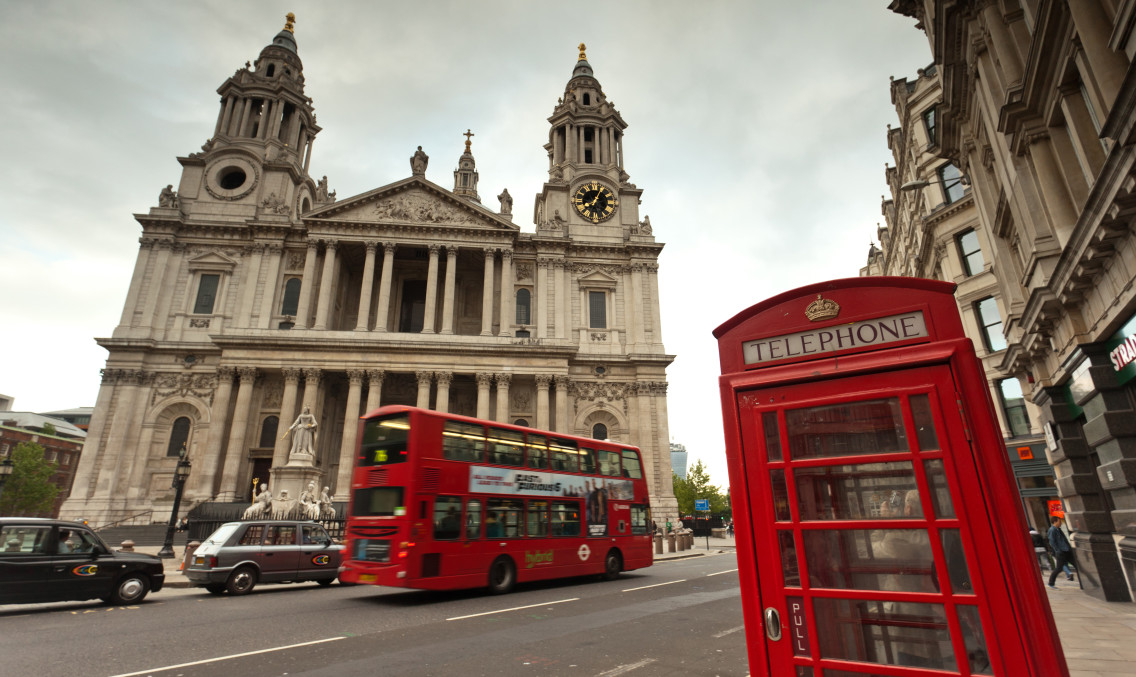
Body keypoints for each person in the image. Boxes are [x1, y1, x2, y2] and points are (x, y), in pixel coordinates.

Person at [1048, 516, 1077, 589]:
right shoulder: (1052, 530)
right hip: (1061, 552)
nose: (1060, 523)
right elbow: (1052, 542)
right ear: (1055, 522)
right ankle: (1051, 583)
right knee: (1059, 568)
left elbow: (1064, 540)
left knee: (1077, 565)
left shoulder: (1058, 529)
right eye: (1059, 521)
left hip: (1067, 551)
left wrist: (1069, 548)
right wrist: (1058, 551)